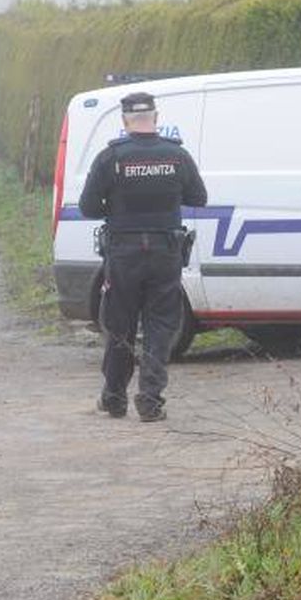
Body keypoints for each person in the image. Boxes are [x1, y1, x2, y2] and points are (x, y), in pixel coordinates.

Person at [79, 91, 207, 422]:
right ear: (155, 118)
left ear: (125, 122)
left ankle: (114, 398)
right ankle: (150, 401)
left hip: (123, 253)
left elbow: (88, 207)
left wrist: (119, 208)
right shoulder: (177, 156)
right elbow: (199, 197)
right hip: (165, 251)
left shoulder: (112, 158)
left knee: (120, 325)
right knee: (161, 326)